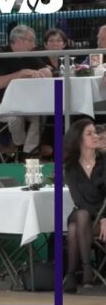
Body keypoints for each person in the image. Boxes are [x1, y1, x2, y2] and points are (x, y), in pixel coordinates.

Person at [0, 25, 51, 158]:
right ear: (19, 41)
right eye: (31, 40)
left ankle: (28, 153)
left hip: (22, 104)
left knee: (40, 115)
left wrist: (41, 72)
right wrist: (20, 74)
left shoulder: (28, 55)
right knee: (16, 117)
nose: (34, 44)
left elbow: (47, 70)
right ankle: (19, 147)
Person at [63, 118, 106, 293]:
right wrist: (103, 217)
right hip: (85, 212)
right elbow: (79, 200)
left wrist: (105, 216)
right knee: (81, 214)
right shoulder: (71, 167)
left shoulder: (104, 162)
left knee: (74, 229)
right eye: (89, 133)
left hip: (97, 218)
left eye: (95, 132)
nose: (95, 136)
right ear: (79, 140)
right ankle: (87, 269)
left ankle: (72, 275)